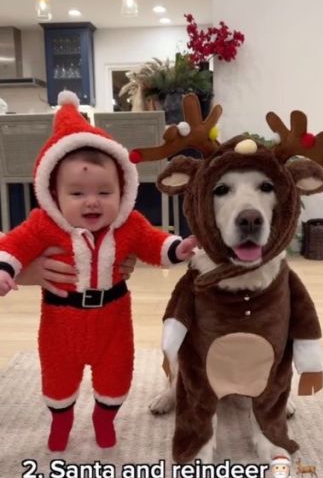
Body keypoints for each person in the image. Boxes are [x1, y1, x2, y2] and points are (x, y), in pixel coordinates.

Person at [0, 91, 197, 452]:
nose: (92, 201)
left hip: (114, 319)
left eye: (104, 192)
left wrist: (177, 248)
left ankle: (104, 420)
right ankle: (61, 423)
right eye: (77, 193)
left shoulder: (129, 225)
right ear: (52, 194)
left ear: (123, 191)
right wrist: (5, 268)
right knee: (58, 380)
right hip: (61, 322)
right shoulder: (43, 224)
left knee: (117, 375)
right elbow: (13, 244)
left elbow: (154, 242)